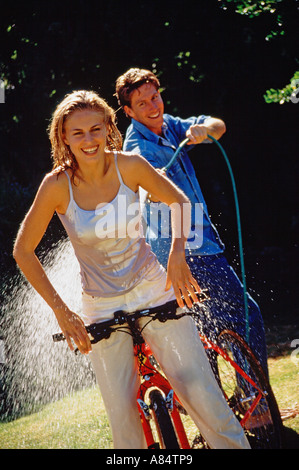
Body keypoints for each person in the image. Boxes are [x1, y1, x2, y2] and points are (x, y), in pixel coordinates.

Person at [13, 90, 250, 449]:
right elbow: (23, 251)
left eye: (96, 129)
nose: (89, 140)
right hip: (100, 303)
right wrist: (62, 311)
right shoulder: (56, 186)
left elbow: (179, 201)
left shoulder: (131, 166)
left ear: (109, 127)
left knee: (201, 393)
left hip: (153, 287)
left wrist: (177, 256)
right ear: (63, 136)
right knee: (123, 420)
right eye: (78, 133)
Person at [115, 68, 268, 376]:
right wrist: (150, 188)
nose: (153, 107)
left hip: (191, 248)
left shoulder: (168, 125)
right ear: (128, 111)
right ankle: (256, 403)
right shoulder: (139, 149)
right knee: (244, 314)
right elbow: (148, 194)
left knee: (205, 332)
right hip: (186, 251)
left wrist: (204, 130)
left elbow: (218, 126)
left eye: (155, 97)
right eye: (142, 103)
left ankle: (231, 408)